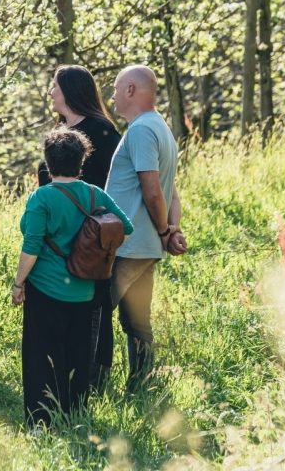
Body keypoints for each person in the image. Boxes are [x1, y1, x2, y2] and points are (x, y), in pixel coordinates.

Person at [12, 127, 133, 428]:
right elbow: (125, 229)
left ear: (48, 161)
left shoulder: (42, 197)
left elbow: (32, 246)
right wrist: (94, 249)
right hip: (84, 288)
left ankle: (42, 422)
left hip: (45, 287)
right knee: (78, 354)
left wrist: (17, 284)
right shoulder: (96, 194)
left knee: (42, 355)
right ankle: (74, 416)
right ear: (82, 160)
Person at [36, 65, 122, 390]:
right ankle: (59, 375)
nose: (50, 92)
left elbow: (116, 183)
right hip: (55, 241)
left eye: (54, 85)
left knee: (94, 305)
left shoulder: (100, 130)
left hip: (90, 240)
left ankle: (92, 379)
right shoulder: (60, 132)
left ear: (70, 90)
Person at [105, 65, 188, 393]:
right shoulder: (161, 129)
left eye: (115, 88)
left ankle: (89, 388)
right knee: (137, 322)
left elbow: (154, 190)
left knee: (94, 315)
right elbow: (173, 194)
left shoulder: (140, 130)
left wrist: (167, 231)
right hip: (146, 246)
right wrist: (171, 230)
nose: (111, 96)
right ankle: (141, 389)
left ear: (130, 91)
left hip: (128, 246)